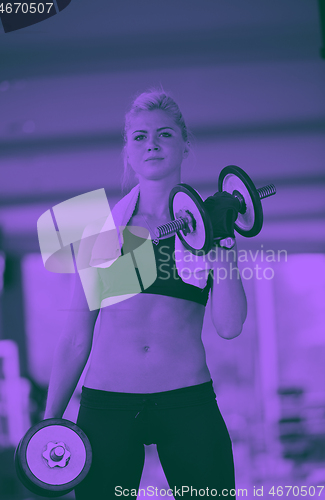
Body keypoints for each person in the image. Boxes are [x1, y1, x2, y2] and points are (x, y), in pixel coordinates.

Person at [44, 90, 247, 499]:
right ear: (128, 151)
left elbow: (229, 326)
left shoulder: (210, 226)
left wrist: (221, 245)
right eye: (139, 136)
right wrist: (49, 421)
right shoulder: (99, 228)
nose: (151, 143)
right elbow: (75, 336)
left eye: (164, 134)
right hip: (107, 406)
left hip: (187, 401)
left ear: (185, 144)